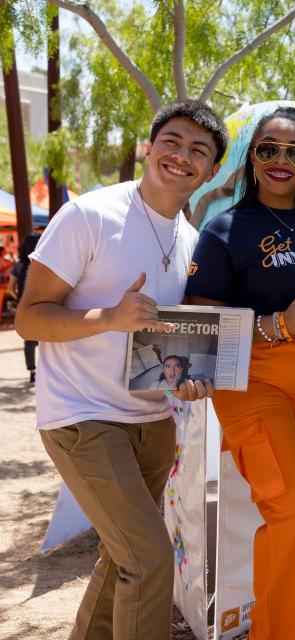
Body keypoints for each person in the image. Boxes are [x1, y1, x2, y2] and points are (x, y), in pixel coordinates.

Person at [14, 101, 225, 640]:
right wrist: (108, 318)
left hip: (154, 423)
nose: (182, 156)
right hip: (83, 418)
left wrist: (193, 379)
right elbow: (29, 319)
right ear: (148, 148)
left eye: (199, 151)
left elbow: (175, 346)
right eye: (172, 142)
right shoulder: (89, 215)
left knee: (124, 555)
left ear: (213, 171)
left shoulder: (192, 241)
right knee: (150, 558)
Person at [186, 106, 295, 639]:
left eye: (294, 152)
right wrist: (279, 326)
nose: (280, 160)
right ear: (251, 157)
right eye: (268, 149)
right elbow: (201, 326)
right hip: (253, 379)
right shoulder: (225, 230)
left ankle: (285, 628)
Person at [11, 232, 41, 383]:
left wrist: (18, 298)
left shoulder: (18, 266)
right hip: (41, 304)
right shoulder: (42, 265)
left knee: (28, 340)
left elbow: (11, 287)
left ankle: (32, 371)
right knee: (46, 337)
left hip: (24, 305)